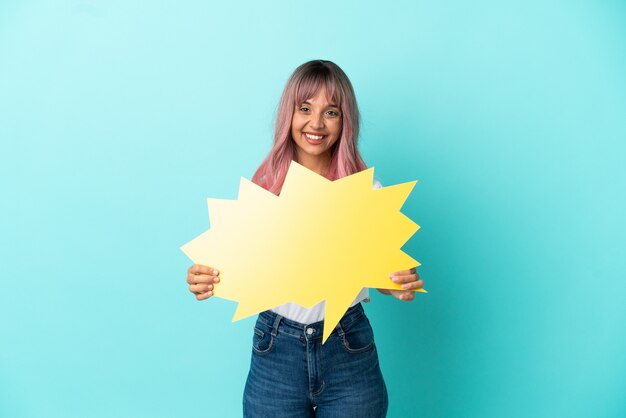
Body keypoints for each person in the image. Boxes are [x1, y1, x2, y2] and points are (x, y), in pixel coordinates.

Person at [185, 60, 424, 417]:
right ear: (289, 115)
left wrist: (397, 283)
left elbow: (380, 271)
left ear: (345, 121)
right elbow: (231, 265)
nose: (316, 123)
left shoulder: (366, 192)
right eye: (305, 109)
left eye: (331, 112)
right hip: (276, 349)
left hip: (348, 347)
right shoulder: (264, 189)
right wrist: (202, 277)